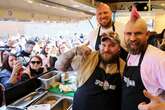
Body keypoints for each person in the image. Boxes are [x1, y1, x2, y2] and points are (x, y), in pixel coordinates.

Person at [55, 32, 125, 110]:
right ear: (99, 46)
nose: (106, 49)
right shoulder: (87, 58)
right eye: (104, 45)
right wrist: (74, 50)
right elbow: (59, 66)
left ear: (119, 48)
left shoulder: (124, 67)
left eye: (112, 45)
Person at [121, 5, 165, 110]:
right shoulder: (131, 53)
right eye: (128, 33)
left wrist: (163, 107)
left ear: (147, 35)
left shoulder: (158, 59)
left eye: (138, 33)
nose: (132, 38)